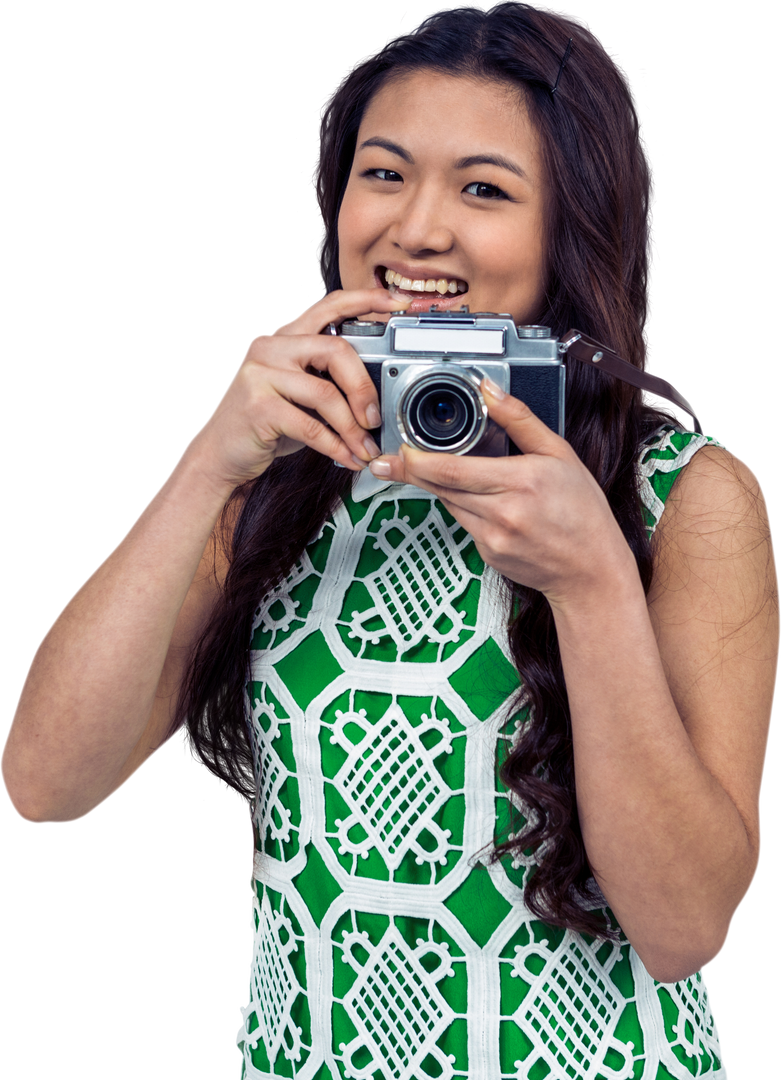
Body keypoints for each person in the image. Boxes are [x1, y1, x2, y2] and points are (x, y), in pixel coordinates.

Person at [2, 2, 777, 1077]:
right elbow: (45, 787)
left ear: (571, 219)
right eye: (383, 173)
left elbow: (684, 927)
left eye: (483, 189)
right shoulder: (278, 472)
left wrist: (593, 585)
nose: (415, 228)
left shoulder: (684, 494)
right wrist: (206, 465)